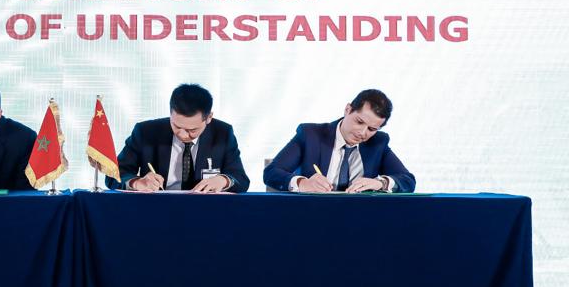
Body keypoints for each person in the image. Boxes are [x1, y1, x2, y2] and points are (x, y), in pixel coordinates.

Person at [263, 88, 415, 193]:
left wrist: (380, 183)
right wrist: (303, 183)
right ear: (348, 110)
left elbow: (408, 180)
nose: (362, 133)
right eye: (359, 122)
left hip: (359, 218)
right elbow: (271, 172)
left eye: (372, 129)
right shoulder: (310, 135)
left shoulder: (378, 143)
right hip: (311, 214)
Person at [106, 84, 249, 193]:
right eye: (176, 126)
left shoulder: (223, 133)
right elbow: (113, 176)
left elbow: (241, 179)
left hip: (206, 210)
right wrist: (137, 183)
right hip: (156, 209)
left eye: (192, 130)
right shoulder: (146, 132)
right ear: (170, 114)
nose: (183, 135)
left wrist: (223, 181)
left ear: (209, 118)